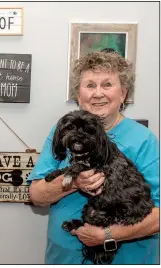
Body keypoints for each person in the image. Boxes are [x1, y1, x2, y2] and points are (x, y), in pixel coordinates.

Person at [28, 51, 159, 264]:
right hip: (65, 258)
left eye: (107, 84)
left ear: (124, 93)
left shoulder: (144, 140)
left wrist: (108, 234)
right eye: (89, 85)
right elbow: (36, 195)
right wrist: (74, 183)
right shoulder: (61, 132)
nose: (98, 94)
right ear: (79, 96)